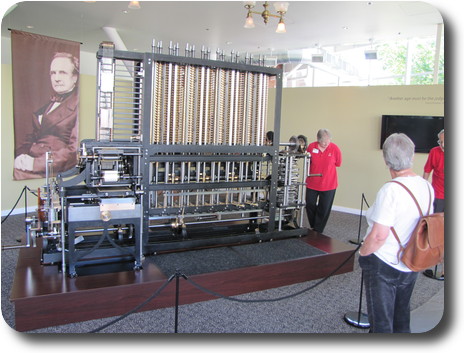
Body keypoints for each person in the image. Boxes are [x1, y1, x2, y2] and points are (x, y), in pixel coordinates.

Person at [358, 133, 434, 333]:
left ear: (386, 160)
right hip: (412, 261)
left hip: (384, 263)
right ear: (413, 157)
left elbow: (378, 236)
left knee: (381, 323)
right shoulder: (427, 186)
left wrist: (363, 254)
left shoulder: (391, 190)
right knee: (401, 316)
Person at [14, 52, 79, 180]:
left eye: (62, 72)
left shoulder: (77, 105)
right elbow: (32, 137)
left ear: (75, 77)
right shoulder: (47, 105)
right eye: (53, 73)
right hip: (34, 160)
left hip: (53, 166)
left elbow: (73, 151)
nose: (56, 78)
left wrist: (35, 164)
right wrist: (21, 156)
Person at [305, 128, 342, 233]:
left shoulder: (335, 148)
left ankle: (318, 230)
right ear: (318, 139)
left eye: (328, 141)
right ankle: (314, 225)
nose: (326, 143)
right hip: (312, 183)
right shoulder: (311, 147)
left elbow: (338, 163)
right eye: (323, 141)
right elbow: (307, 162)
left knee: (324, 208)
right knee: (310, 204)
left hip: (329, 184)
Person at [422, 129, 445, 280]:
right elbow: (427, 170)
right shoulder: (434, 152)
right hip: (438, 195)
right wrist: (423, 191)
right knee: (435, 230)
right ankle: (431, 260)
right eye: (440, 142)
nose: (442, 145)